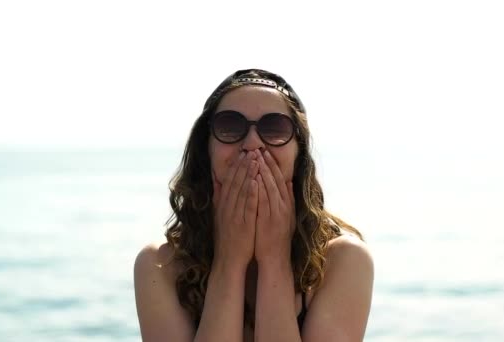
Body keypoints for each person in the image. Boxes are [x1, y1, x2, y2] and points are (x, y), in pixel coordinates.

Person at [134, 69, 374, 342]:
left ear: (299, 155)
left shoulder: (343, 260)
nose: (252, 144)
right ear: (206, 151)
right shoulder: (160, 266)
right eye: (229, 127)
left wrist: (275, 260)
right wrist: (229, 261)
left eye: (274, 128)